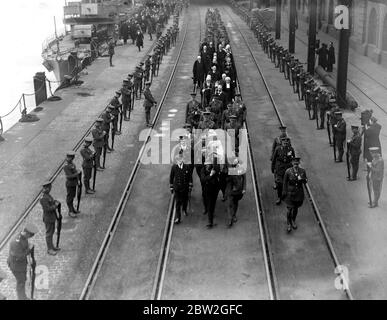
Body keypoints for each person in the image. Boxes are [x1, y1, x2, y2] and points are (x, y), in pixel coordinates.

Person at [7, 224, 38, 300]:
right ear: (26, 233)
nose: (29, 238)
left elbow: (25, 246)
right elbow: (19, 256)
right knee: (21, 283)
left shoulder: (23, 237)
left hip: (21, 265)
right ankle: (21, 298)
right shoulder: (15, 242)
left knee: (23, 280)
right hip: (16, 266)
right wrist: (29, 249)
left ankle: (23, 297)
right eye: (29, 236)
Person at [282, 157, 308, 233]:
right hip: (290, 193)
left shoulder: (302, 171)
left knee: (296, 208)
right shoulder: (288, 171)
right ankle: (288, 223)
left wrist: (302, 179)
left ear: (299, 164)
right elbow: (285, 182)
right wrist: (284, 192)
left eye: (297, 164)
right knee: (289, 209)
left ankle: (293, 220)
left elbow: (306, 181)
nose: (295, 165)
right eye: (294, 164)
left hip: (298, 193)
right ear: (292, 164)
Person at [170, 154, 193, 225]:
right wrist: (171, 187)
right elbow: (171, 177)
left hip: (185, 188)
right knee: (177, 203)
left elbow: (190, 177)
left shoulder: (187, 167)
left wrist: (190, 186)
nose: (178, 161)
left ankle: (184, 209)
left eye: (179, 160)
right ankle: (178, 218)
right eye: (177, 160)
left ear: (182, 160)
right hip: (177, 188)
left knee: (185, 200)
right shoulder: (174, 167)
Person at [272, 137, 295, 205]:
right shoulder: (278, 149)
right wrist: (272, 168)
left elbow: (293, 159)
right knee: (279, 184)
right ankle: (279, 197)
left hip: (288, 169)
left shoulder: (291, 149)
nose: (285, 144)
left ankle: (287, 196)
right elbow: (274, 159)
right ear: (281, 143)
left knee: (289, 184)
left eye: (286, 143)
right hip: (280, 169)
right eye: (284, 143)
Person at [39, 181, 61, 256]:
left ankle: (52, 246)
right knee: (49, 234)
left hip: (51, 217)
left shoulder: (47, 195)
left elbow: (51, 202)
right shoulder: (43, 198)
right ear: (46, 188)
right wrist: (55, 205)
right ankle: (49, 249)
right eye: (49, 187)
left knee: (51, 233)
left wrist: (54, 202)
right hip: (48, 218)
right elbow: (47, 209)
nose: (50, 189)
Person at [225, 157, 246, 228]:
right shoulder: (229, 170)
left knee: (235, 203)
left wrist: (244, 189)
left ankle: (233, 215)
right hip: (231, 190)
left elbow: (244, 179)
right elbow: (226, 178)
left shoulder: (241, 169)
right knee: (230, 204)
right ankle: (230, 219)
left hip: (238, 190)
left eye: (236, 164)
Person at [200, 161, 221, 229]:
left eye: (209, 164)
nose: (208, 165)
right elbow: (203, 179)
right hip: (207, 190)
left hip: (214, 190)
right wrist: (211, 175)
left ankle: (210, 218)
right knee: (209, 205)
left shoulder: (214, 168)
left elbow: (218, 177)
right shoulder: (203, 170)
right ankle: (210, 221)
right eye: (207, 164)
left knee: (212, 204)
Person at [63, 151, 81, 218]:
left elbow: (74, 171)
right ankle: (70, 211)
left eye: (72, 157)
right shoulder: (66, 166)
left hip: (74, 183)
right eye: (69, 157)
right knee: (69, 198)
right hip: (70, 184)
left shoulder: (72, 164)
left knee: (73, 196)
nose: (70, 158)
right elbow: (69, 176)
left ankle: (72, 209)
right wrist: (77, 173)